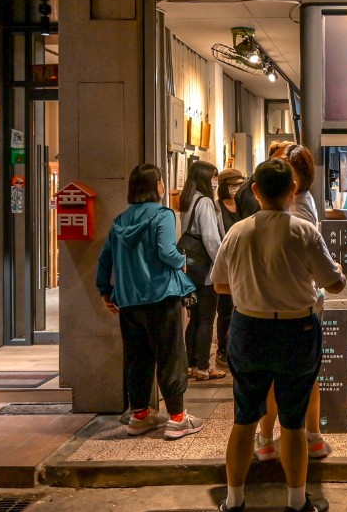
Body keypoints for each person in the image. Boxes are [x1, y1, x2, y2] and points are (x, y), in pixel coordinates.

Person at [212, 159, 346, 512]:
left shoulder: (238, 231)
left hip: (248, 329)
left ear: (254, 191)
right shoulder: (304, 232)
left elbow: (221, 284)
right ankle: (297, 502)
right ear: (292, 191)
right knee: (293, 421)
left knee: (244, 419)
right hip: (296, 332)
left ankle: (234, 501)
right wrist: (339, 274)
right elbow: (333, 283)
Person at [96, 163, 206, 440]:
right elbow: (167, 250)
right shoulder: (163, 215)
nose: (162, 184)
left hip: (128, 300)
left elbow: (105, 259)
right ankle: (178, 418)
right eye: (160, 180)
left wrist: (104, 292)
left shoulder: (120, 221)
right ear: (155, 185)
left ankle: (140, 415)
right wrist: (182, 262)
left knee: (137, 359)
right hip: (161, 297)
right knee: (170, 356)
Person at [255, 144, 333, 462]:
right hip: (307, 304)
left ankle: (267, 439)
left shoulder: (292, 215)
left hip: (283, 305)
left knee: (273, 378)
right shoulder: (305, 202)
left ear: (292, 184)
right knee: (306, 375)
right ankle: (311, 438)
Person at [178, 160, 226, 381]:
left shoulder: (187, 200)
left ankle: (191, 364)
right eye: (213, 176)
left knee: (194, 318)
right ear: (206, 178)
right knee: (207, 319)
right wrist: (222, 265)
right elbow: (211, 238)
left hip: (190, 268)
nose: (215, 181)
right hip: (206, 268)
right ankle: (204, 368)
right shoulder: (205, 202)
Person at [213, 168, 246, 371]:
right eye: (233, 184)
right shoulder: (217, 208)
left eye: (239, 184)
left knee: (240, 306)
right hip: (226, 262)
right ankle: (222, 350)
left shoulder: (243, 205)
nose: (236, 188)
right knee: (224, 309)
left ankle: (237, 347)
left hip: (243, 262)